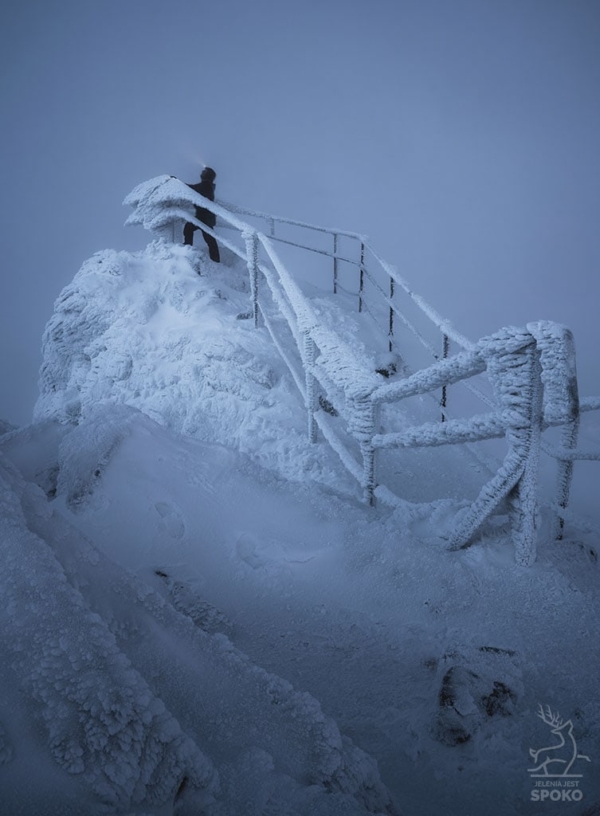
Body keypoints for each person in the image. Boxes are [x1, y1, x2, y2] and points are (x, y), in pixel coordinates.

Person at [183, 167, 220, 262]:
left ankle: (187, 247)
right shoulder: (208, 186)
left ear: (208, 175)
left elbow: (191, 188)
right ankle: (215, 259)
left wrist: (177, 183)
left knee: (208, 238)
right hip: (203, 217)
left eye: (204, 171)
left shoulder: (206, 185)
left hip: (205, 217)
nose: (202, 172)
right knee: (190, 229)